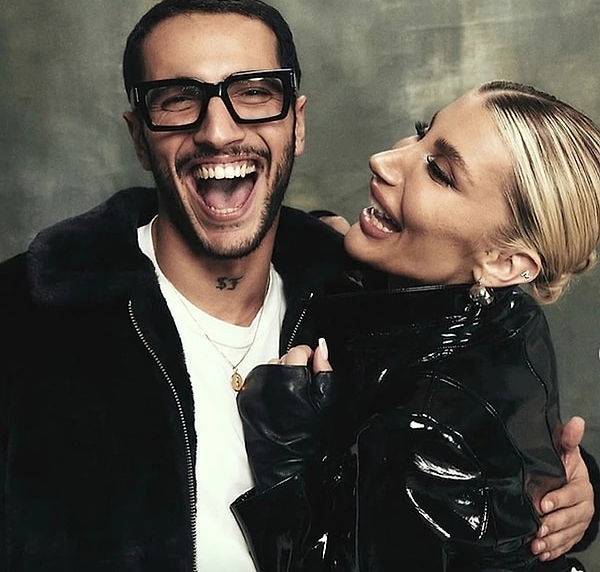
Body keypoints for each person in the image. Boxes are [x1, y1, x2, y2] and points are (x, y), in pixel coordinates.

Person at [0, 0, 594, 571]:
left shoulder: (363, 300)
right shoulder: (25, 323)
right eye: (178, 99)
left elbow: (453, 449)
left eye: (254, 93)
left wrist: (560, 494)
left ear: (297, 124)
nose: (218, 132)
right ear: (139, 136)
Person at [234, 81, 600, 570]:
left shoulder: (420, 435)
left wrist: (286, 454)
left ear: (505, 262)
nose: (384, 161)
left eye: (440, 172)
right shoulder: (512, 316)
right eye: (421, 132)